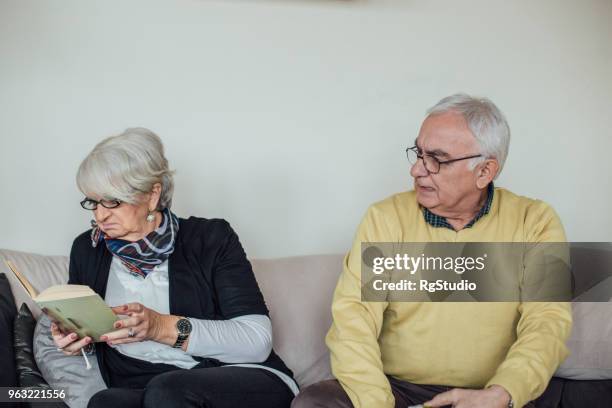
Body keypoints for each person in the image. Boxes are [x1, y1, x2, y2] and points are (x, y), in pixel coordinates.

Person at [292, 94, 572, 408]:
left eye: (437, 159)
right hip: (395, 390)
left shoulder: (535, 221)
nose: (416, 170)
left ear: (484, 171)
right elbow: (353, 320)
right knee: (315, 402)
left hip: (488, 394)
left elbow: (547, 322)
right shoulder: (386, 218)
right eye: (419, 153)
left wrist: (501, 394)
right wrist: (376, 402)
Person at [51, 128, 298, 408]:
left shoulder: (211, 238)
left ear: (153, 194)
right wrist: (75, 337)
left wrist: (159, 326)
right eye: (93, 202)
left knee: (168, 391)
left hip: (238, 377)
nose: (100, 214)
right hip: (142, 385)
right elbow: (95, 332)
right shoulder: (87, 249)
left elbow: (256, 341)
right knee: (106, 403)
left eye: (112, 201)